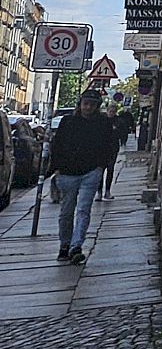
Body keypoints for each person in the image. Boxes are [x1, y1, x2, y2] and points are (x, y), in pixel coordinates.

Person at [46, 92, 116, 264]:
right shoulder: (68, 122)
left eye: (92, 104)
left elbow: (108, 146)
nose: (88, 107)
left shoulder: (103, 123)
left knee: (84, 210)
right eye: (85, 103)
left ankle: (76, 246)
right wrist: (56, 169)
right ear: (80, 104)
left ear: (97, 106)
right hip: (67, 173)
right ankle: (64, 246)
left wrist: (100, 166)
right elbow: (57, 145)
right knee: (66, 211)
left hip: (90, 173)